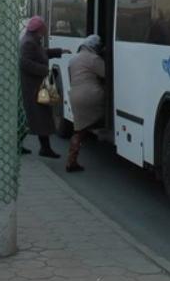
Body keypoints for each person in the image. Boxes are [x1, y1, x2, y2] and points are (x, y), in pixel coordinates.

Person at [19, 16, 68, 159]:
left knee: (41, 117)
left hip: (39, 84)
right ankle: (42, 148)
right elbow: (24, 63)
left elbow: (42, 53)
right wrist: (44, 70)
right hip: (35, 86)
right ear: (39, 28)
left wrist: (59, 51)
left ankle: (44, 148)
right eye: (44, 27)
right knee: (38, 117)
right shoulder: (29, 42)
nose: (47, 30)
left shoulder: (32, 40)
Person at [66, 35, 107, 172]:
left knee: (79, 130)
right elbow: (107, 74)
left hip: (74, 96)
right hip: (91, 96)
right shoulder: (94, 59)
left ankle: (71, 160)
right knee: (104, 114)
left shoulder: (73, 59)